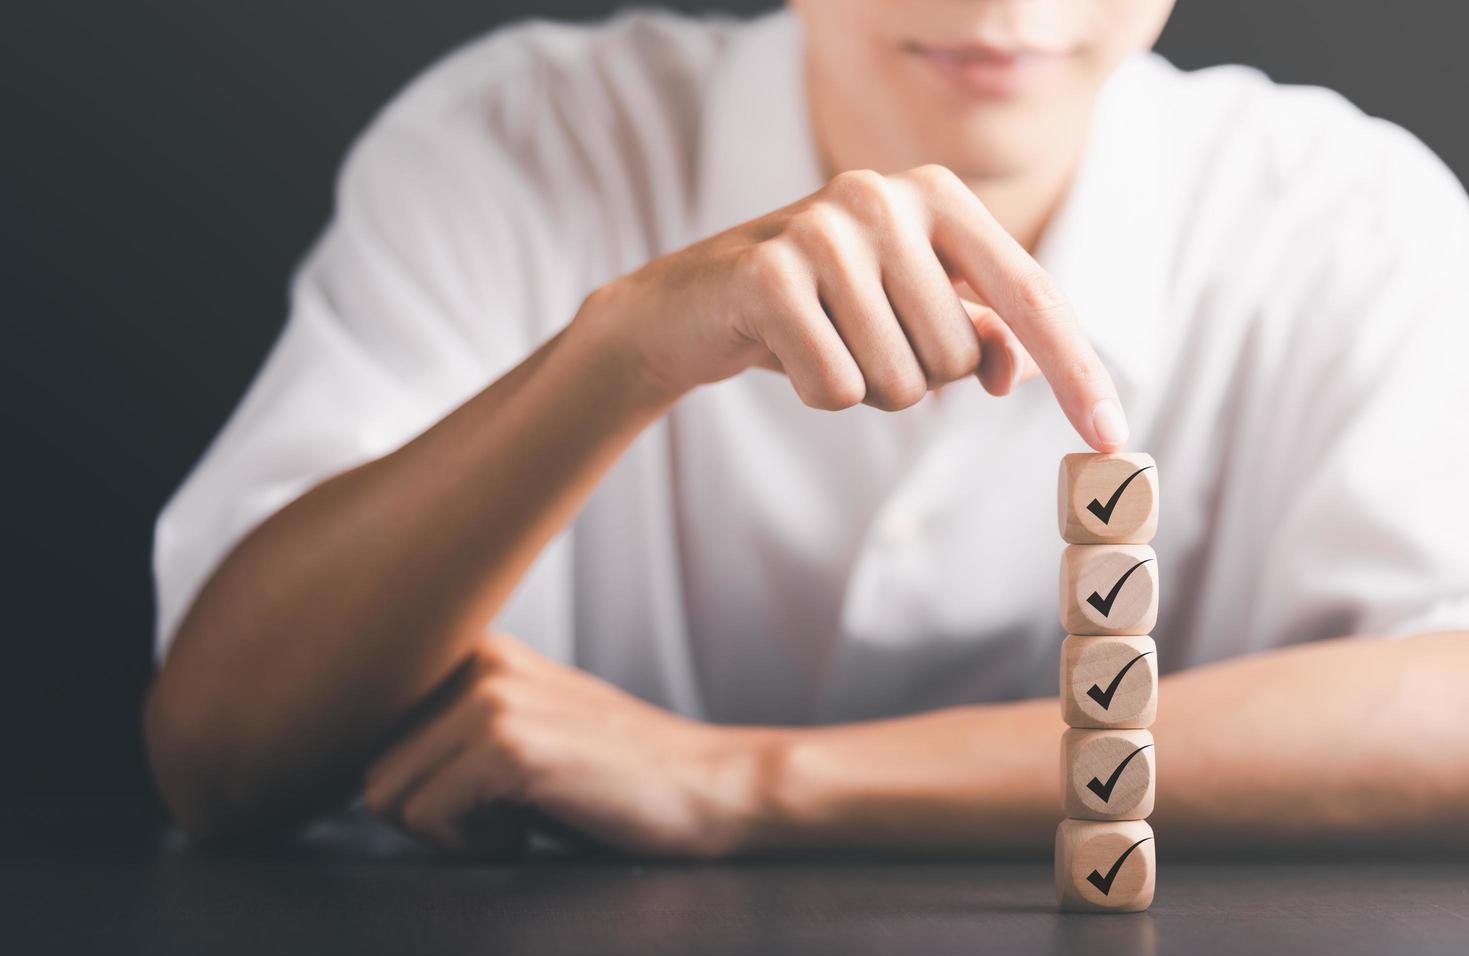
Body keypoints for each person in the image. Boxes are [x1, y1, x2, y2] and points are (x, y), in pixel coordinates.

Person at [146, 0, 1469, 856]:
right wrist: (617, 354)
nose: (1004, 4)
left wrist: (754, 781)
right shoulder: (516, 140)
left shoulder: (1345, 215)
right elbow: (220, 755)